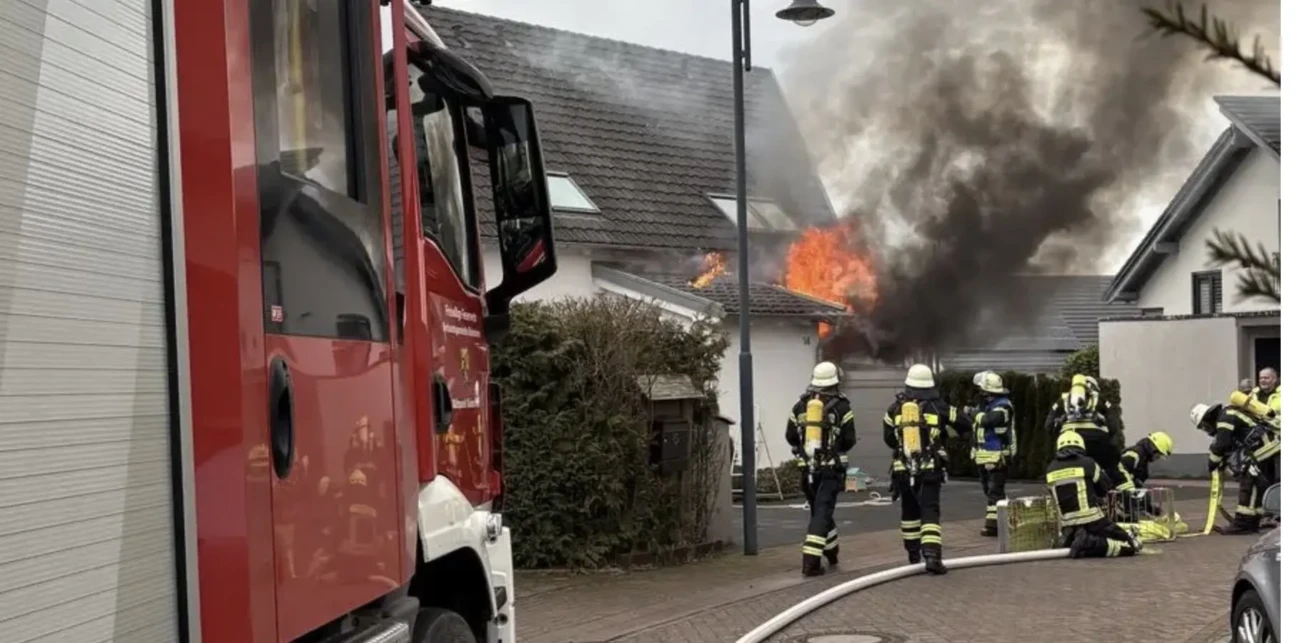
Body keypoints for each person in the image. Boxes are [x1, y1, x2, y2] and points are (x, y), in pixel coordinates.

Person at [882, 364, 972, 574]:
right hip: (929, 468)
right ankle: (932, 556)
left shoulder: (894, 408)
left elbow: (888, 439)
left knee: (909, 511)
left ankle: (913, 556)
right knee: (929, 510)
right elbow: (965, 424)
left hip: (902, 469)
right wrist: (944, 433)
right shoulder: (938, 406)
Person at [786, 361, 857, 577]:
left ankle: (832, 552)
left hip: (806, 471)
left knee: (820, 512)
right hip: (829, 471)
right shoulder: (842, 407)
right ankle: (811, 562)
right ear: (834, 382)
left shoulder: (799, 406)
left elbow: (790, 437)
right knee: (822, 513)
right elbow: (849, 440)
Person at [1046, 431, 1142, 558]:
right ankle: (1089, 542)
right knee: (1129, 545)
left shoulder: (1050, 469)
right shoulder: (1088, 463)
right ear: (1081, 446)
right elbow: (1105, 486)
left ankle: (1078, 541)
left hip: (1066, 525)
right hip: (1092, 520)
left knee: (1075, 545)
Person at [1192, 401, 1281, 534]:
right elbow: (1231, 445)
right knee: (1259, 485)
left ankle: (1243, 523)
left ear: (1208, 418)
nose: (1206, 430)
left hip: (1265, 450)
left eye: (1204, 426)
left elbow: (1222, 444)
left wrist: (1213, 462)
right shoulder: (1230, 414)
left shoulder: (1224, 418)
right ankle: (1253, 521)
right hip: (1270, 448)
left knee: (1249, 482)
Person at [1044, 374, 1124, 490]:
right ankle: (1109, 494)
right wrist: (1107, 435)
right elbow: (1113, 426)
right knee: (1109, 467)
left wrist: (1060, 428)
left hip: (1068, 442)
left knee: (1066, 469)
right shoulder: (1100, 400)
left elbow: (1048, 426)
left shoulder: (1063, 400)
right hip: (1096, 441)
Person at [969, 371, 1015, 537]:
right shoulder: (987, 406)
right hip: (984, 455)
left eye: (983, 392)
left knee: (995, 491)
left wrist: (974, 414)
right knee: (990, 491)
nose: (981, 395)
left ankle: (993, 526)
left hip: (998, 455)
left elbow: (990, 420)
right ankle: (1006, 517)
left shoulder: (1003, 406)